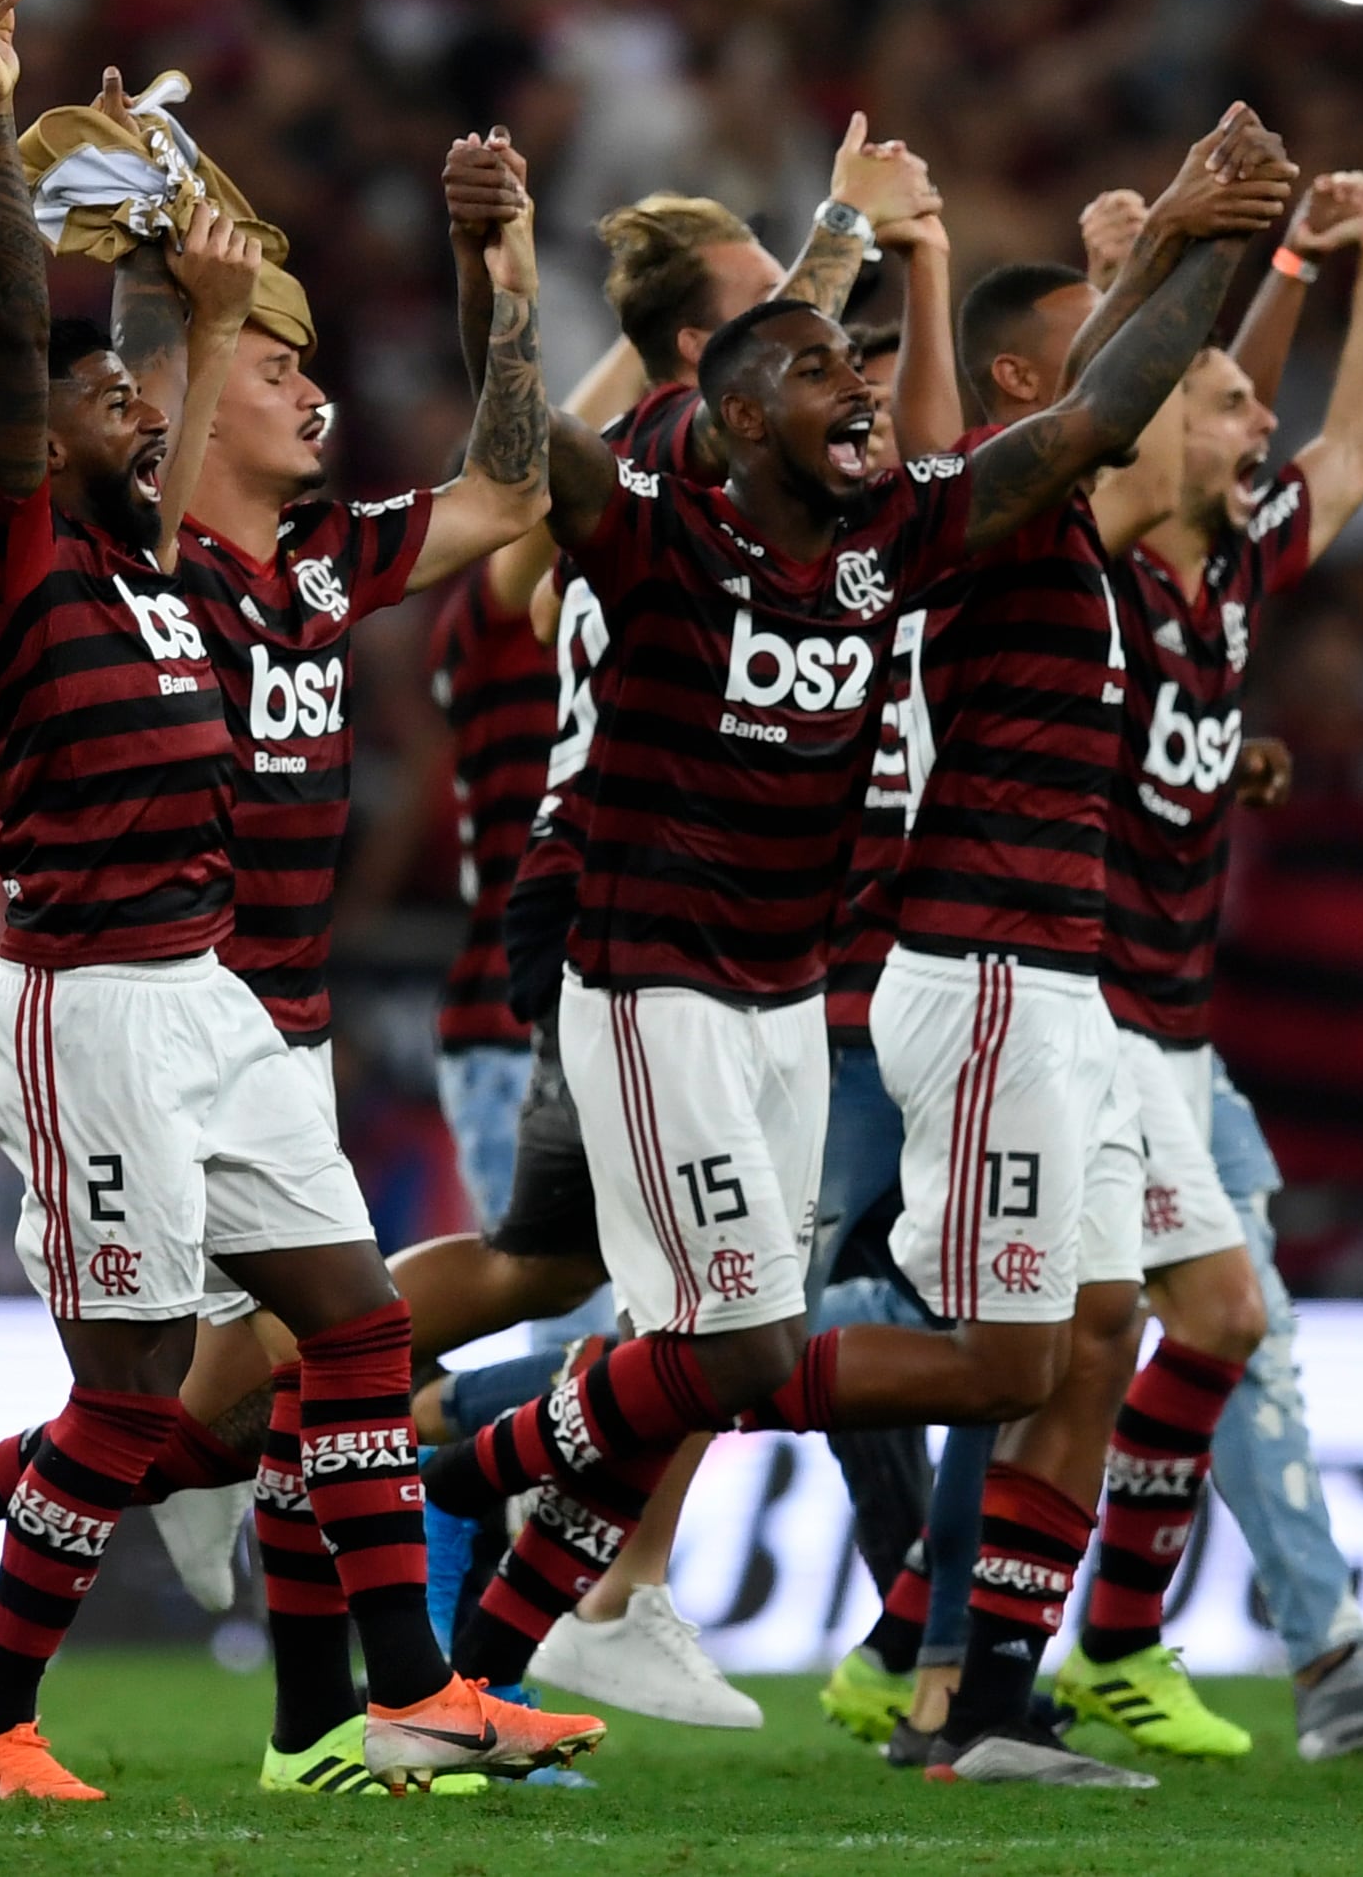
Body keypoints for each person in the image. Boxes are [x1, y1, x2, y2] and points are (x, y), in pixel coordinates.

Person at [421, 108, 1296, 1789]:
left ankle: (471, 1677)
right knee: (737, 1352)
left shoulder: (901, 545)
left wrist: (1210, 242)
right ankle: (414, 1470)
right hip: (649, 981)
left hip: (781, 1000)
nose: (866, 389)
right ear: (741, 415)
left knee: (735, 1364)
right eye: (826, 369)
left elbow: (1104, 412)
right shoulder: (660, 535)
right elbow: (526, 439)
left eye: (866, 367)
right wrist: (495, 276)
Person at [0, 0, 601, 1801]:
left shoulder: (292, 567)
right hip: (104, 997)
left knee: (346, 1335)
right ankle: (5, 1712)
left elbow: (501, 491)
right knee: (151, 1404)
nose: (314, 395)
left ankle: (388, 1698)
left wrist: (501, 273)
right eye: (273, 371)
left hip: (245, 1011)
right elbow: (41, 373)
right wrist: (47, 190)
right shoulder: (31, 550)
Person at [395, 129, 945, 1735]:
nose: (824, 334)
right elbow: (520, 473)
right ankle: (376, 1444)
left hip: (708, 949)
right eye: (785, 314)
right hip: (600, 940)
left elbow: (765, 374)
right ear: (716, 359)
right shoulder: (638, 485)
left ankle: (511, 1617)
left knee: (591, 1287)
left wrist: (848, 224)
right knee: (657, 1317)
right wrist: (498, 281)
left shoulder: (734, 483)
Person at [1039, 172, 1363, 1763]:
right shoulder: (1090, 564)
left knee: (1233, 1330)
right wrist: (1158, 260)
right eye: (1233, 396)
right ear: (1153, 421)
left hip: (1175, 1032)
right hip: (1059, 1012)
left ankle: (1272, 1655)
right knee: (981, 1336)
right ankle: (524, 1431)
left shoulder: (1230, 574)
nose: (1265, 423)